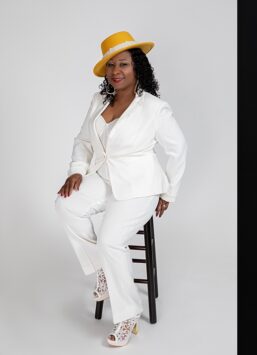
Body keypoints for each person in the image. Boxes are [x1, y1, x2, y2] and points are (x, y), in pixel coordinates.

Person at [55, 30, 187, 347]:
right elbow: (83, 141)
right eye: (112, 65)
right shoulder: (99, 100)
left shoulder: (155, 108)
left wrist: (168, 193)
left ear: (137, 67)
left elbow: (179, 149)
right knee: (65, 205)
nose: (117, 71)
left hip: (141, 185)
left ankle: (128, 315)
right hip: (104, 177)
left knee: (110, 240)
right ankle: (102, 270)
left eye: (124, 64)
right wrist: (76, 171)